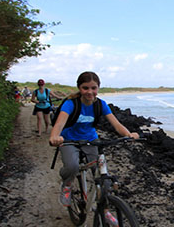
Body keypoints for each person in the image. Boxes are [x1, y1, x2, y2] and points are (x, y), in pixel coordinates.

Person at [49, 71, 139, 207]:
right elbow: (59, 124)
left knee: (103, 177)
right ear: (79, 88)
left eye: (93, 88)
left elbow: (117, 125)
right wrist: (54, 137)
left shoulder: (101, 104)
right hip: (69, 140)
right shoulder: (71, 103)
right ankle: (67, 184)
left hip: (91, 139)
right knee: (72, 167)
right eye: (85, 88)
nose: (90, 92)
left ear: (98, 88)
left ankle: (105, 210)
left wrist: (129, 134)